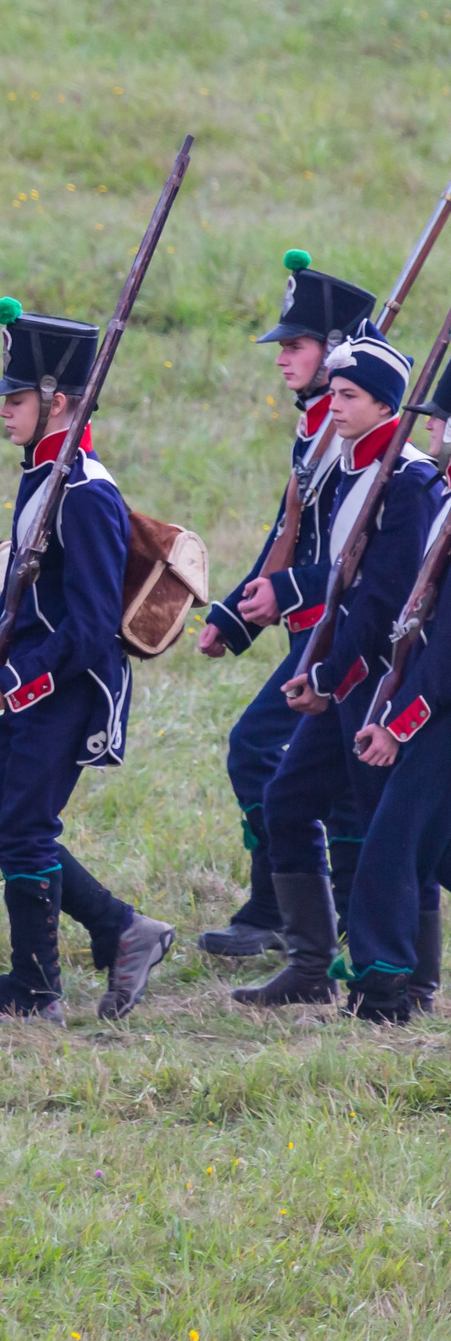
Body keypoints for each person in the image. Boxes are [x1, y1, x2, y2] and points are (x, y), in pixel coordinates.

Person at [0, 299, 176, 1024]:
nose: (4, 411)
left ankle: (37, 990)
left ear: (60, 401)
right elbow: (20, 598)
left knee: (21, 831)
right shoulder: (42, 478)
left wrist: (13, 680)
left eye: (17, 399)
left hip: (70, 684)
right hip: (34, 681)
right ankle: (120, 929)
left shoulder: (86, 491)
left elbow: (92, 627)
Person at [236, 325, 444, 1008]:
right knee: (288, 799)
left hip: (377, 681)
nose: (336, 404)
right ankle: (309, 964)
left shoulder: (408, 481)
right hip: (341, 676)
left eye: (350, 395)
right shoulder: (348, 464)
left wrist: (330, 677)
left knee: (391, 826)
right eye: (334, 391)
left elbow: (387, 599)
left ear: (386, 404)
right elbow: (336, 585)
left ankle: (410, 979)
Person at [193, 251, 374, 959]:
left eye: (296, 345)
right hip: (314, 626)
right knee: (307, 769)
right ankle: (308, 909)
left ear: (334, 350)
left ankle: (298, 909)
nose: (281, 358)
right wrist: (235, 615)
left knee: (270, 753)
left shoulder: (355, 427)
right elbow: (287, 530)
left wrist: (285, 594)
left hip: (348, 628)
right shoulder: (317, 424)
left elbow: (361, 553)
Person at [340, 367, 451, 1021]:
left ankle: (379, 990)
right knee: (427, 846)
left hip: (438, 714)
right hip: (432, 708)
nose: (432, 428)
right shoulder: (444, 495)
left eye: (441, 419)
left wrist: (397, 723)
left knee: (389, 847)